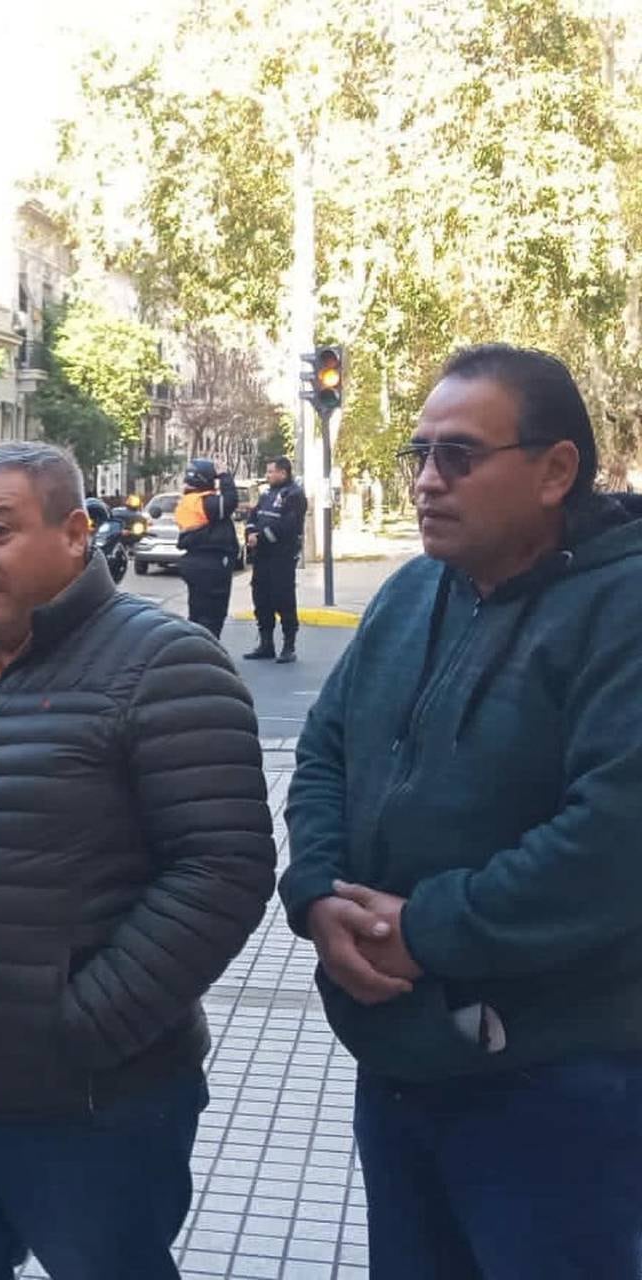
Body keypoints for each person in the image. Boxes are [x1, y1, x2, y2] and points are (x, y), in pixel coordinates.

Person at [0, 441, 276, 1280]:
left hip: (89, 1106)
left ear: (75, 533)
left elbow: (223, 870)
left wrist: (78, 1029)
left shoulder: (168, 661)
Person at [280, 344, 642, 1279]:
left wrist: (428, 929)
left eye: (461, 456)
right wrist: (318, 894)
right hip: (401, 1058)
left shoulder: (623, 608)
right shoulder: (410, 590)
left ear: (557, 469)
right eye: (420, 454)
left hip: (559, 1079)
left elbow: (611, 840)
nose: (428, 481)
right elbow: (324, 751)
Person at [243, 456, 306, 663]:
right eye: (267, 472)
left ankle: (289, 647)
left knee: (284, 599)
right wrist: (251, 533)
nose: (268, 475)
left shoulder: (294, 495)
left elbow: (288, 526)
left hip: (282, 557)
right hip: (262, 558)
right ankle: (266, 644)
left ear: (283, 473)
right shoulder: (267, 494)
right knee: (261, 599)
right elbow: (253, 517)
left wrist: (262, 537)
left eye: (271, 472)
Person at [174, 457, 240, 639]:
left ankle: (195, 652)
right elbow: (230, 502)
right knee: (212, 615)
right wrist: (225, 476)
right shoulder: (204, 502)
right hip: (210, 563)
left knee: (197, 612)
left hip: (194, 560)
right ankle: (206, 653)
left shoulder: (187, 501)